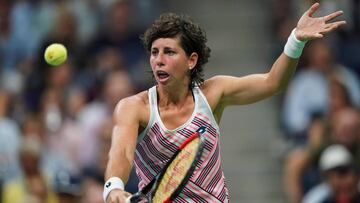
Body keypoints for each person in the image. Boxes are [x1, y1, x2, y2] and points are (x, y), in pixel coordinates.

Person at [103, 3, 346, 203]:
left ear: (191, 60)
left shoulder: (213, 93)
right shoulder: (134, 107)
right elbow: (121, 153)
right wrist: (113, 187)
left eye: (169, 52)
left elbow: (272, 82)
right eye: (154, 52)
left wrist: (296, 40)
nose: (159, 60)